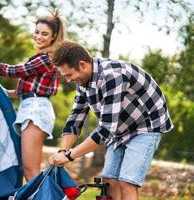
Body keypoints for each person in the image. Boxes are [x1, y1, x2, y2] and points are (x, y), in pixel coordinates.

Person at [48, 41, 173, 200]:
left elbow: (105, 131)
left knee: (127, 182)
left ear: (82, 65)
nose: (67, 80)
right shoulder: (82, 82)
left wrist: (70, 155)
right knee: (109, 180)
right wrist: (62, 151)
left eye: (69, 75)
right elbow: (75, 119)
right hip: (120, 128)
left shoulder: (111, 75)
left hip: (146, 125)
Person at [0, 12, 65, 181]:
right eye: (37, 32)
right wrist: (3, 92)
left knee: (31, 170)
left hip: (35, 110)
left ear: (54, 36)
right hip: (31, 106)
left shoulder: (48, 58)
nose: (38, 36)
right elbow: (26, 90)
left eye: (44, 34)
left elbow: (16, 71)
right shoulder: (41, 57)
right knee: (29, 170)